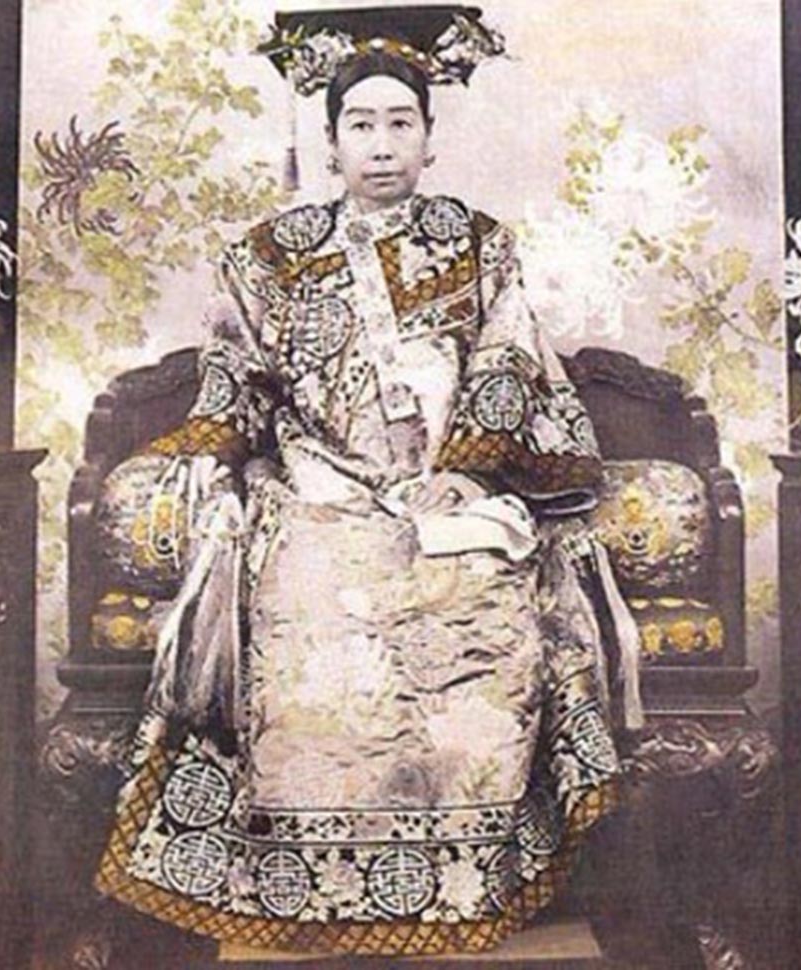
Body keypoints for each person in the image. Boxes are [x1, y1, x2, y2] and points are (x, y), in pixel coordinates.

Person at [94, 6, 642, 957]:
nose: (381, 145)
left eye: (400, 123)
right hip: (322, 493)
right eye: (361, 124)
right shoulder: (268, 256)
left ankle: (463, 881)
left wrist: (467, 476)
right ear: (332, 139)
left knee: (481, 611)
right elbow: (236, 378)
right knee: (316, 624)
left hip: (443, 493)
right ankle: (297, 885)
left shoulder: (479, 245)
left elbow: (507, 361)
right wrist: (218, 469)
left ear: (430, 139)